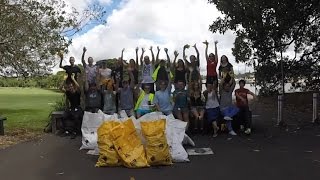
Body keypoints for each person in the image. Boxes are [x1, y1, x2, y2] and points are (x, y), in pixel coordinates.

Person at [60, 74, 83, 139]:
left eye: (71, 86)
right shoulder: (68, 92)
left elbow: (78, 87)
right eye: (69, 87)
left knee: (76, 117)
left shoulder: (77, 92)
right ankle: (67, 131)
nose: (70, 88)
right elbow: (60, 88)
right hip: (71, 108)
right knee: (63, 117)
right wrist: (64, 80)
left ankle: (74, 132)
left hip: (78, 108)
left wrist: (73, 79)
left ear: (73, 86)